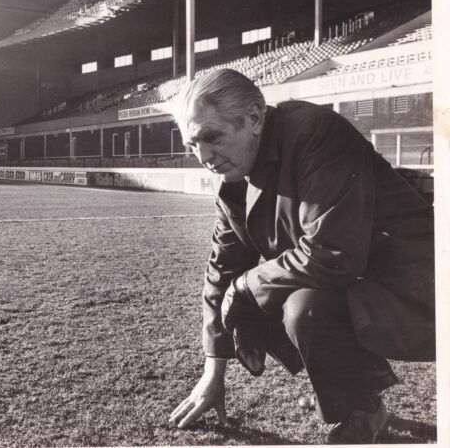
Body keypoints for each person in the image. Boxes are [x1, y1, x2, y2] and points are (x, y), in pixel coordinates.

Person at [166, 69, 434, 443]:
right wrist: (213, 374)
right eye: (192, 144)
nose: (203, 156)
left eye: (212, 137)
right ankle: (361, 399)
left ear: (255, 118)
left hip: (420, 293)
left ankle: (357, 397)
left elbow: (332, 253)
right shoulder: (231, 175)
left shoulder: (315, 133)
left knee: (298, 306)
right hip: (359, 286)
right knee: (264, 297)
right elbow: (221, 270)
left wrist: (245, 286)